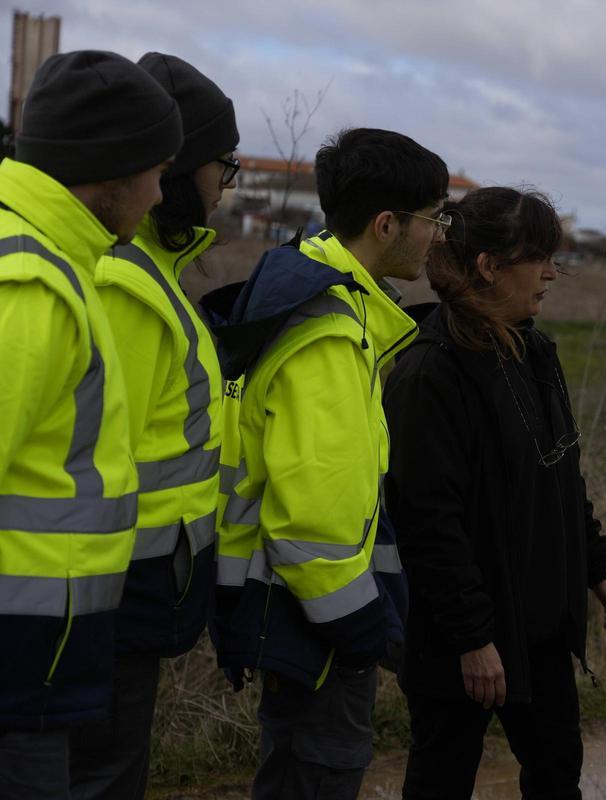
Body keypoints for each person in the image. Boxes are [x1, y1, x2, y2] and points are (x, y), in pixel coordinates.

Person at [205, 127, 449, 799]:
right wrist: (361, 631)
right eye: (434, 217)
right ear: (386, 224)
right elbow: (312, 522)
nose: (439, 234)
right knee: (317, 774)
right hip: (314, 631)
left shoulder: (308, 287)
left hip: (291, 619)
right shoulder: (330, 334)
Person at [384, 187, 606, 799]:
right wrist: (472, 638)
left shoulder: (534, 349)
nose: (551, 272)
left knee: (556, 774)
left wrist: (597, 567)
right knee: (441, 779)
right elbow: (427, 524)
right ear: (488, 266)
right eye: (537, 257)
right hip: (460, 639)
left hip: (541, 625)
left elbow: (561, 472)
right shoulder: (429, 372)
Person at [0, 50, 182, 797]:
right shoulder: (30, 286)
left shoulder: (63, 266)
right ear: (111, 172)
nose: (162, 190)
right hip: (14, 668)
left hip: (37, 661)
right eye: (157, 169)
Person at [66, 53, 239, 799]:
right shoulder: (128, 283)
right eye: (224, 166)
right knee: (101, 776)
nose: (227, 188)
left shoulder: (149, 271)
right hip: (107, 595)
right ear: (179, 169)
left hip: (117, 591)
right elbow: (102, 456)